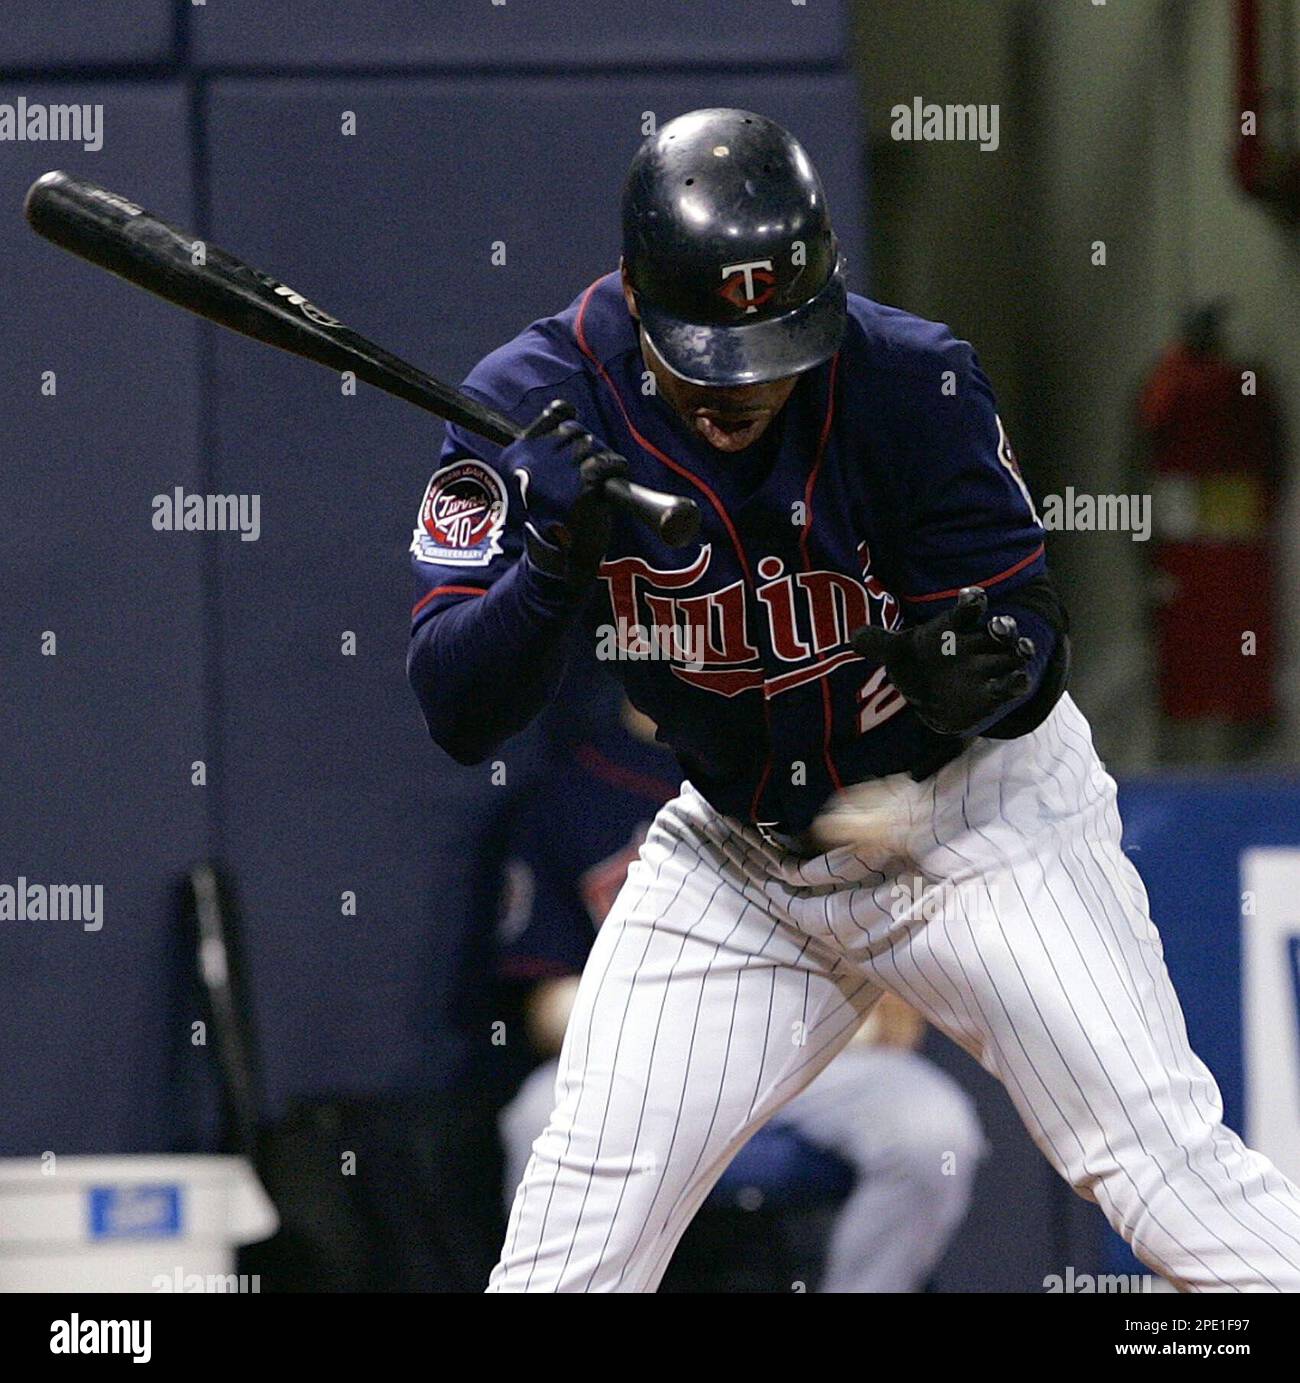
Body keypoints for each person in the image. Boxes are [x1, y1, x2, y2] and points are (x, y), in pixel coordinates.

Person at [407, 108, 1300, 1291]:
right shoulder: (534, 396)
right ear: (633, 291)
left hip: (969, 825)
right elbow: (455, 706)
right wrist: (552, 569)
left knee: (1165, 1178)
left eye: (773, 349)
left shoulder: (908, 378)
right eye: (710, 354)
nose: (745, 389)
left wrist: (974, 674)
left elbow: (1030, 640)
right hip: (742, 860)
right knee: (570, 1244)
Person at [497, 698, 985, 1292]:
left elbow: (899, 1024)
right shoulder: (572, 794)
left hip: (811, 1051)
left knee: (934, 1133)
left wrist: (894, 851)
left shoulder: (814, 769)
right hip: (640, 1060)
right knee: (533, 1119)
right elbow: (548, 1013)